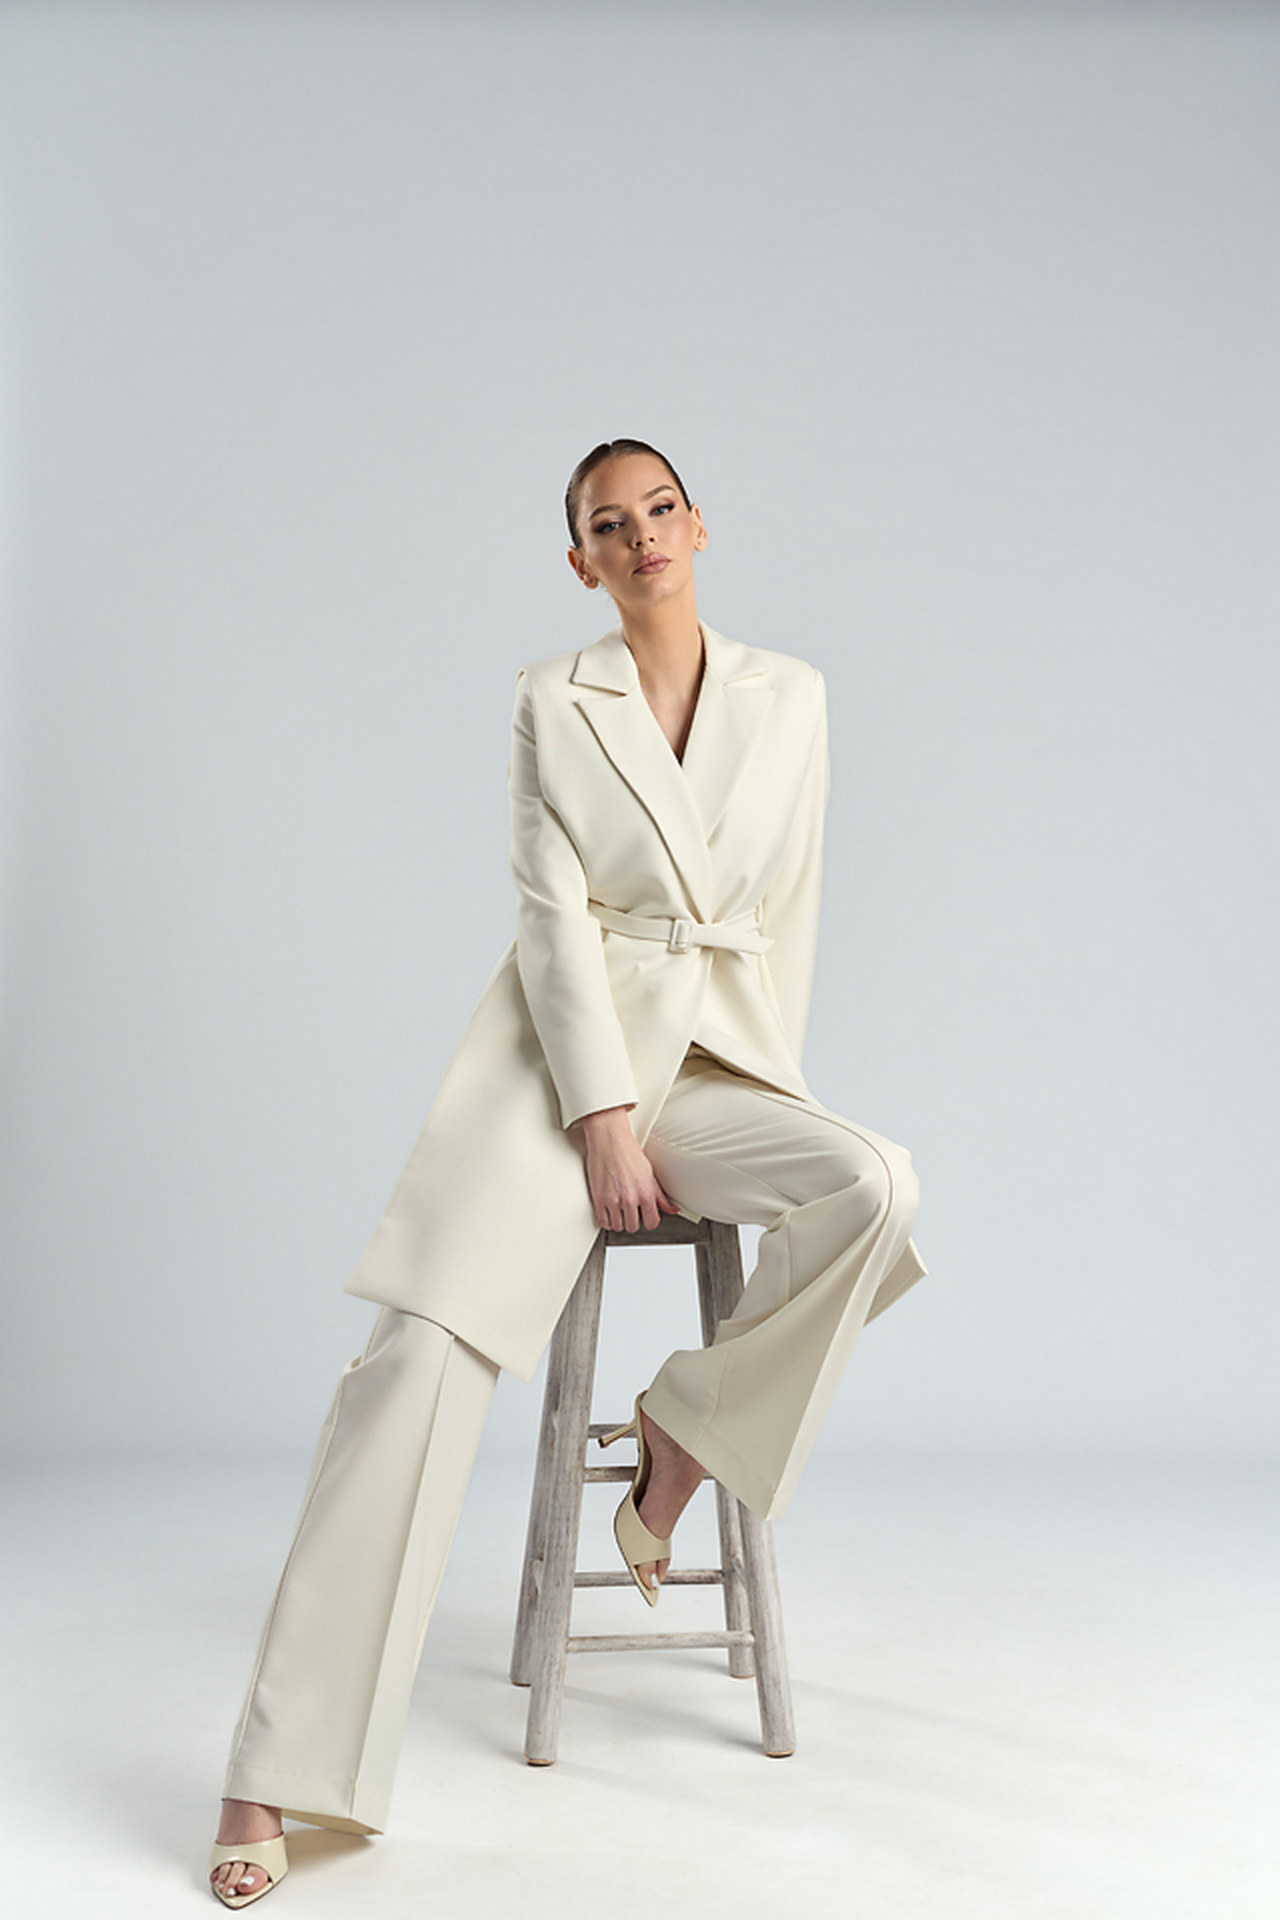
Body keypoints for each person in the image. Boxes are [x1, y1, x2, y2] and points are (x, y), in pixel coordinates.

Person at [207, 438, 925, 1907]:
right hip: (556, 1076)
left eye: (660, 508)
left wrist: (757, 1075)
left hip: (714, 1068)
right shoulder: (555, 697)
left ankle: (682, 1433)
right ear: (582, 560)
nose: (641, 534)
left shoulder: (793, 695)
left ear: (700, 525)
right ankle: (272, 1771)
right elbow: (549, 916)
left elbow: (788, 906)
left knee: (873, 1186)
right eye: (609, 522)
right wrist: (602, 1114)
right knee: (410, 1365)